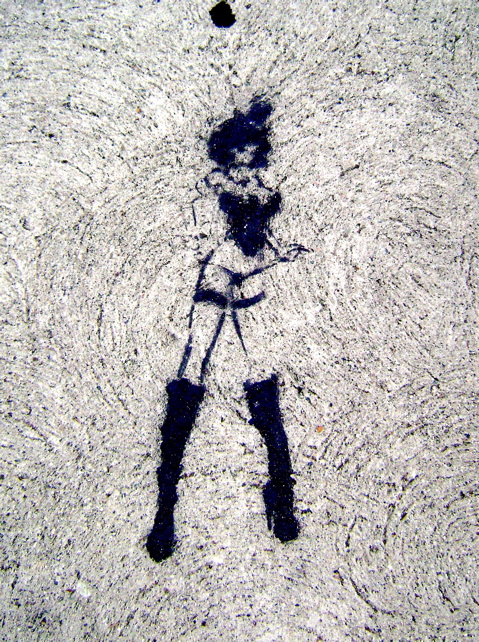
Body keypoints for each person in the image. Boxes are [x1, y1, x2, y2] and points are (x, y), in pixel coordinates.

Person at [147, 97, 308, 562]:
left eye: (251, 154)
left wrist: (277, 252)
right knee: (191, 378)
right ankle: (165, 509)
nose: (244, 163)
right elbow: (209, 247)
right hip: (219, 283)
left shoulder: (263, 188)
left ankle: (282, 495)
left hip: (248, 286)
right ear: (224, 154)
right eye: (236, 154)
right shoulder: (210, 191)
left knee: (263, 382)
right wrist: (266, 257)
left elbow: (261, 241)